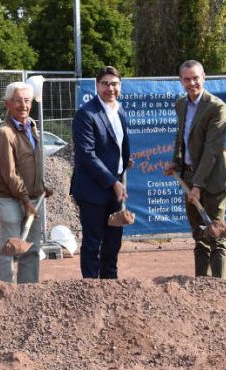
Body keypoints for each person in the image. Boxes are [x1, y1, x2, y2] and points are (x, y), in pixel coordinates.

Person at [164, 60, 226, 278]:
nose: (191, 83)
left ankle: (219, 289)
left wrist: (197, 185)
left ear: (203, 77)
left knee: (216, 234)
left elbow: (212, 149)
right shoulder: (181, 104)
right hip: (188, 177)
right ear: (181, 81)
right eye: (186, 79)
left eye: (195, 78)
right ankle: (200, 288)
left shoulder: (216, 107)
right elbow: (181, 138)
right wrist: (176, 161)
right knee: (199, 234)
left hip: (213, 179)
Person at [71, 66, 131, 279]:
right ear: (97, 86)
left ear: (120, 87)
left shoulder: (120, 111)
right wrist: (113, 182)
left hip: (114, 187)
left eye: (114, 84)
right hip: (92, 190)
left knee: (113, 241)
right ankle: (90, 290)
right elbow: (86, 154)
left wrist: (123, 164)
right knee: (93, 242)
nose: (110, 88)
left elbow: (117, 146)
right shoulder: (86, 114)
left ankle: (110, 286)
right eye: (105, 84)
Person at [0, 82, 51, 283]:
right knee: (10, 247)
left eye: (27, 100)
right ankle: (5, 291)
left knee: (32, 248)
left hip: (33, 198)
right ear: (8, 103)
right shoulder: (4, 133)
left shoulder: (32, 127)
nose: (23, 105)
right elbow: (9, 173)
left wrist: (40, 187)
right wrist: (25, 201)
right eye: (17, 100)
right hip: (11, 199)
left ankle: (28, 291)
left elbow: (32, 163)